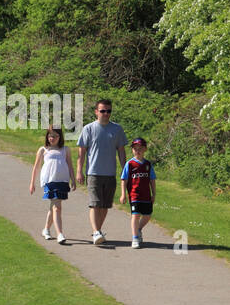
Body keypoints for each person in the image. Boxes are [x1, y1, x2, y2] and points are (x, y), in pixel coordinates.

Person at [75, 99, 128, 245]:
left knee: (105, 206)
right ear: (96, 112)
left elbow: (121, 151)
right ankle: (96, 231)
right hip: (93, 173)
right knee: (95, 204)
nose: (106, 114)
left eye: (108, 111)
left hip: (110, 173)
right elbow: (82, 152)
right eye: (103, 111)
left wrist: (125, 169)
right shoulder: (89, 129)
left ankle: (97, 231)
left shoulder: (117, 129)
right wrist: (79, 171)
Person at [29, 125, 75, 244]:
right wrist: (32, 183)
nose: (52, 138)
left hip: (62, 181)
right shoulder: (43, 150)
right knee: (57, 207)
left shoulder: (65, 149)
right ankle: (60, 234)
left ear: (60, 137)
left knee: (53, 207)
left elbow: (70, 165)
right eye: (50, 136)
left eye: (55, 136)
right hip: (49, 181)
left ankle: (46, 229)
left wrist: (73, 180)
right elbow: (36, 167)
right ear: (47, 137)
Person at [119, 137, 156, 248]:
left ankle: (138, 229)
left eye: (140, 148)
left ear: (145, 149)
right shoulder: (129, 164)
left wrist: (154, 193)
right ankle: (135, 238)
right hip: (134, 195)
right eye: (135, 149)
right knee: (135, 215)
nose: (137, 151)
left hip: (146, 195)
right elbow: (124, 179)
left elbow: (152, 179)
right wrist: (123, 194)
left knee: (147, 215)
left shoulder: (148, 164)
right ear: (132, 150)